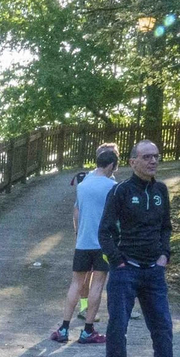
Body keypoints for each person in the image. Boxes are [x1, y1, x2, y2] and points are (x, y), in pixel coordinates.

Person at [98, 140, 180, 357]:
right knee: (118, 329)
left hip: (154, 273)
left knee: (163, 328)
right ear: (132, 162)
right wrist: (117, 260)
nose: (153, 161)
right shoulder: (120, 191)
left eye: (156, 156)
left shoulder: (161, 190)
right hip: (125, 271)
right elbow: (104, 232)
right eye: (147, 157)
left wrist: (164, 255)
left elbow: (165, 227)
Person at [52, 145, 117, 344]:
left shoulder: (82, 185)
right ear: (111, 165)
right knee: (97, 285)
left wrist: (78, 233)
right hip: (103, 243)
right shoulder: (113, 187)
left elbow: (77, 212)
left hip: (83, 242)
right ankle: (88, 330)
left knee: (76, 284)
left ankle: (63, 328)